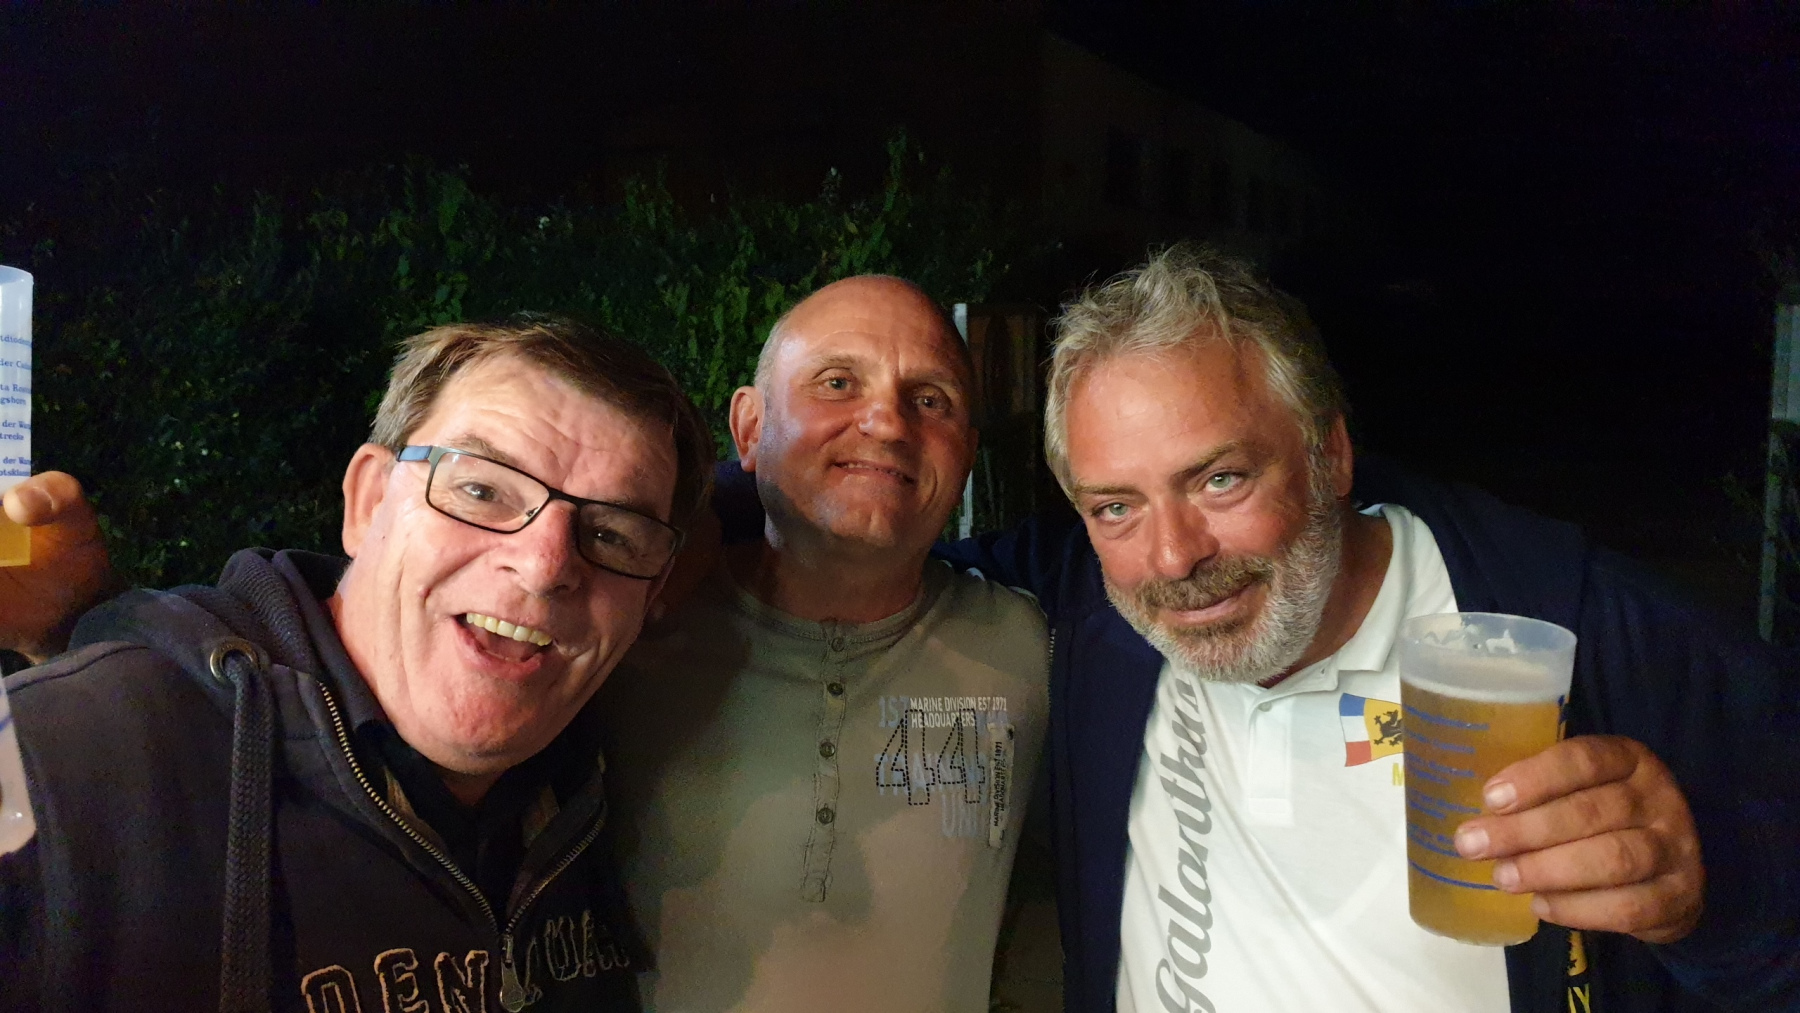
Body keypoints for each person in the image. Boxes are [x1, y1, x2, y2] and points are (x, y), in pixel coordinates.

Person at [931, 246, 1800, 1012]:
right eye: (1116, 505)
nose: (1173, 555)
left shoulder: (1590, 633)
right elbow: (887, 577)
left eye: (1221, 479)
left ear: (1331, 455)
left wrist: (1715, 892)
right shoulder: (1092, 609)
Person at [0, 314, 715, 1012]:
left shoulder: (602, 777)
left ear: (652, 593)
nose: (545, 565)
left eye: (612, 534)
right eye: (482, 489)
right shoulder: (78, 759)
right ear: (370, 502)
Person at [595, 275, 1050, 1012]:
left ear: (966, 452)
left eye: (931, 399)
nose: (888, 423)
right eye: (837, 382)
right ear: (750, 428)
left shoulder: (1029, 648)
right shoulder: (628, 636)